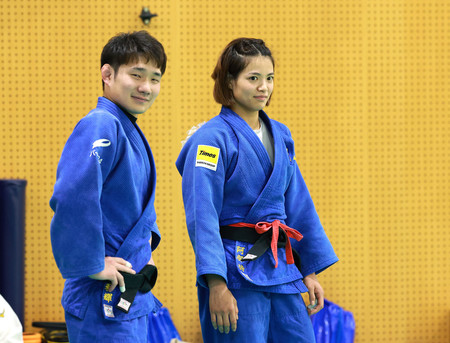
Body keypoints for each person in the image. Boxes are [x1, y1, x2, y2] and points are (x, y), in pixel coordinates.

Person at [176, 38, 338, 342]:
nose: (264, 87)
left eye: (270, 78)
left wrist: (310, 270)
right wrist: (216, 284)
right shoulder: (210, 140)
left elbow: (298, 203)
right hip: (235, 270)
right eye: (253, 78)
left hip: (283, 268)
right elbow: (203, 215)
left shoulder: (281, 134)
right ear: (229, 82)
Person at [50, 31, 166, 343]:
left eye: (155, 78)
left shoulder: (125, 128)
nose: (146, 87)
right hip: (101, 293)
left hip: (127, 289)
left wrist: (145, 254)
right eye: (136, 75)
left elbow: (129, 206)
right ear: (107, 74)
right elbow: (72, 197)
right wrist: (91, 262)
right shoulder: (101, 124)